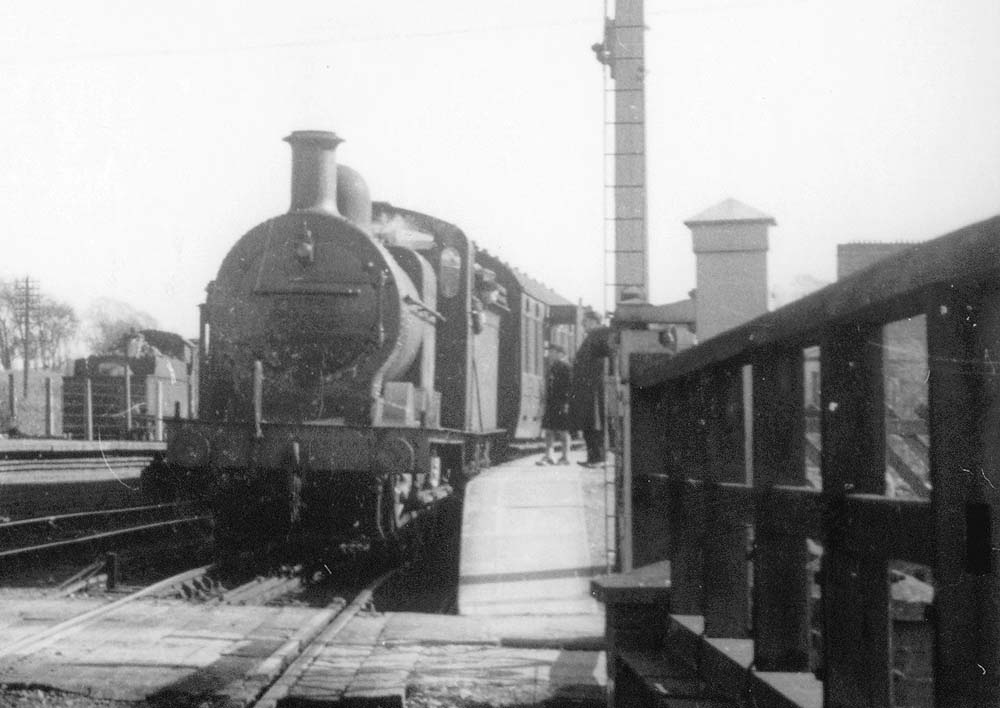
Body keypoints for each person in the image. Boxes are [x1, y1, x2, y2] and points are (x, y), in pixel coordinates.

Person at [569, 325, 614, 467]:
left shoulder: (599, 336)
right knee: (590, 424)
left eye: (588, 321)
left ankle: (597, 457)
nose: (585, 324)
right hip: (587, 388)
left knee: (595, 424)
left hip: (593, 387)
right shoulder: (592, 338)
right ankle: (593, 457)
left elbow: (607, 356)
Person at [537, 344, 572, 465]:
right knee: (549, 430)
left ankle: (565, 457)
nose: (550, 354)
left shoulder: (566, 367)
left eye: (552, 352)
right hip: (552, 402)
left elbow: (571, 386)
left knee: (563, 431)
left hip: (562, 402)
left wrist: (568, 403)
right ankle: (549, 456)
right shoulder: (553, 366)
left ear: (560, 353)